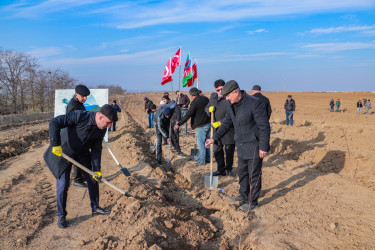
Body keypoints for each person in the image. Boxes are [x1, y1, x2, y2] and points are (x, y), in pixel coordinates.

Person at [43, 105, 117, 228]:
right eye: (108, 123)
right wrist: (55, 144)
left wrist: (96, 170)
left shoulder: (102, 128)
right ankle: (61, 215)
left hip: (82, 152)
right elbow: (54, 122)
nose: (109, 126)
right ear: (100, 116)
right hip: (64, 151)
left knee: (93, 178)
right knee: (63, 184)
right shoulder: (79, 116)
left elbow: (96, 149)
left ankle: (95, 207)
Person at [205, 80, 270, 211]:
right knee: (242, 173)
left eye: (228, 96)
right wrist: (214, 138)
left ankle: (253, 202)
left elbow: (264, 127)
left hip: (254, 145)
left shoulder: (255, 103)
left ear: (236, 92)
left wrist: (263, 146)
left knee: (254, 175)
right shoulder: (231, 105)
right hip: (240, 144)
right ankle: (243, 196)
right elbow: (226, 124)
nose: (226, 99)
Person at [205, 79, 235, 177]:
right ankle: (221, 169)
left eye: (222, 89)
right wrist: (208, 110)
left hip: (228, 130)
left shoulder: (229, 99)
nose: (220, 91)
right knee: (218, 151)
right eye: (218, 90)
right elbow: (206, 108)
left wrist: (220, 123)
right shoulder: (213, 99)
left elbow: (232, 116)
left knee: (229, 151)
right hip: (215, 131)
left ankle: (229, 169)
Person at [174, 87, 210, 166]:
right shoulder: (206, 99)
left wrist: (179, 123)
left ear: (192, 95)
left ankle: (201, 161)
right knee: (207, 142)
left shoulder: (195, 102)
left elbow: (188, 114)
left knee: (201, 144)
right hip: (208, 123)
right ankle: (207, 158)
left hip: (201, 125)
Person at [66, 84, 90, 188]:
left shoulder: (79, 103)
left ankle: (84, 175)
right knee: (77, 158)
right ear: (76, 95)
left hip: (81, 135)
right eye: (83, 96)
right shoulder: (73, 106)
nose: (85, 98)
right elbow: (74, 122)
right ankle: (77, 180)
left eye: (86, 96)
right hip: (75, 136)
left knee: (84, 156)